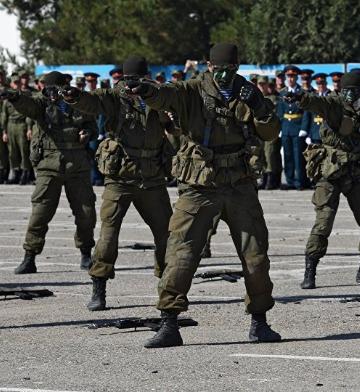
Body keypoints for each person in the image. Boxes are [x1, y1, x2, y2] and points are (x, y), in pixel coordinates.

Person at [127, 43, 282, 347]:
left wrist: (261, 107)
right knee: (182, 253)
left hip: (239, 183)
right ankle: (169, 323)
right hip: (200, 184)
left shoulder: (247, 91)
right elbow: (165, 95)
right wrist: (146, 91)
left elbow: (270, 132)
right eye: (220, 69)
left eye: (231, 70)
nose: (225, 75)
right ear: (209, 66)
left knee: (255, 257)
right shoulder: (193, 90)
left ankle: (260, 322)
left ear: (238, 68)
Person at [62, 56, 176, 311]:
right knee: (108, 235)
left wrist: (172, 118)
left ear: (147, 77)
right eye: (129, 80)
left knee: (166, 234)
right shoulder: (115, 97)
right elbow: (92, 102)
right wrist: (74, 96)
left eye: (138, 79)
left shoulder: (157, 97)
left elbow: (174, 125)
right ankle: (99, 286)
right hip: (120, 177)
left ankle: (167, 287)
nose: (133, 84)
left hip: (152, 178)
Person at [284, 72, 360, 289]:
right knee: (323, 224)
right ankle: (310, 270)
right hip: (330, 173)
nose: (350, 95)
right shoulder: (334, 103)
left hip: (355, 172)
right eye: (346, 91)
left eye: (354, 91)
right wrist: (300, 98)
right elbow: (316, 102)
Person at [4, 71, 97, 274]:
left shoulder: (79, 102)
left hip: (77, 166)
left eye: (57, 89)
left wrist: (88, 133)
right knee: (40, 213)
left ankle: (86, 253)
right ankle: (29, 256)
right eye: (49, 89)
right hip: (49, 165)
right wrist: (13, 95)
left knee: (86, 213)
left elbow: (92, 125)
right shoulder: (41, 104)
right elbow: (26, 104)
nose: (53, 93)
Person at [277, 65, 310, 190]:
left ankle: (299, 181)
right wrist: (280, 128)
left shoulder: (302, 93)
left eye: (293, 76)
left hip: (297, 127)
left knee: (298, 157)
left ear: (297, 77)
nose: (291, 79)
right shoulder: (282, 93)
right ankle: (290, 181)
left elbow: (306, 112)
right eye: (289, 76)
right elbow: (279, 112)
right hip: (286, 127)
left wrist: (304, 128)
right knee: (288, 155)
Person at [2, 75, 33, 185]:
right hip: (11, 126)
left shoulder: (24, 97)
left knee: (24, 150)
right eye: (14, 83)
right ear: (11, 84)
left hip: (21, 125)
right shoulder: (7, 99)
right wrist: (4, 132)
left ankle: (25, 173)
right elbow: (4, 116)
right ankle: (15, 172)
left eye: (18, 83)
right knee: (12, 151)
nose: (16, 85)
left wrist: (29, 128)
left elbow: (29, 113)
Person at [257, 75, 282, 190]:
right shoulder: (256, 98)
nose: (262, 87)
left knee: (270, 155)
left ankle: (271, 180)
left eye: (264, 84)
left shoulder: (273, 98)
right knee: (261, 155)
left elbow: (275, 115)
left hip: (271, 131)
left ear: (268, 85)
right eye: (260, 84)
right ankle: (264, 178)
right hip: (259, 131)